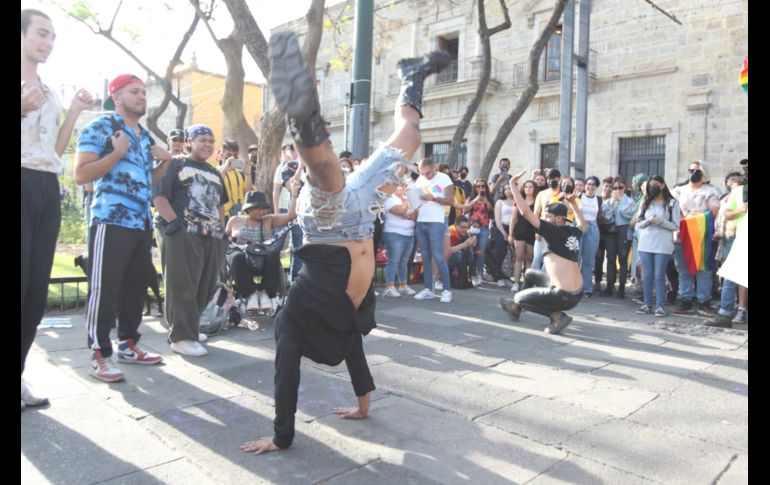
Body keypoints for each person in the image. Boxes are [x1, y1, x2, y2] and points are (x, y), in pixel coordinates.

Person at [240, 30, 450, 455]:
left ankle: (302, 115)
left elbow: (285, 375)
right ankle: (413, 75)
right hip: (363, 209)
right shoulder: (346, 324)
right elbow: (356, 358)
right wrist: (363, 407)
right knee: (410, 135)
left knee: (326, 175)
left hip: (328, 224)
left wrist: (281, 438)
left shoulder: (293, 322)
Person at [21, 8, 94, 408]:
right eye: (41, 34)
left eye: (53, 37)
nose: (48, 43)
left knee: (34, 294)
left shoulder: (48, 92)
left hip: (46, 187)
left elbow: (55, 148)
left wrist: (75, 112)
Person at [75, 73, 169, 382]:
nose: (142, 97)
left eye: (143, 92)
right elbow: (81, 174)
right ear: (116, 97)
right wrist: (116, 151)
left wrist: (165, 163)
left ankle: (129, 344)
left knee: (135, 288)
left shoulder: (144, 137)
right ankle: (100, 354)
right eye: (134, 92)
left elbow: (147, 183)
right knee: (105, 289)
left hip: (140, 222)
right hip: (110, 220)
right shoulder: (100, 127)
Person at [500, 170, 585, 335]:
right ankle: (516, 309)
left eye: (548, 216)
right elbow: (583, 223)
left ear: (558, 219)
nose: (544, 219)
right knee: (531, 274)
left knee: (518, 297)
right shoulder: (573, 231)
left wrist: (513, 186)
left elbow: (525, 212)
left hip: (562, 294)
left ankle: (556, 315)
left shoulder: (552, 230)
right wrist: (573, 203)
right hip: (577, 292)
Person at [226, 187, 299, 312]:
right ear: (248, 208)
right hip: (242, 257)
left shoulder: (269, 220)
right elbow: (224, 240)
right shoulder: (235, 220)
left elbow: (291, 215)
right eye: (257, 208)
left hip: (263, 258)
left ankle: (266, 294)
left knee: (273, 254)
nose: (261, 211)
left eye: (263, 208)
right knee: (236, 257)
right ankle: (250, 295)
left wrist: (294, 195)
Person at [671, 161, 720, 315]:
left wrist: (692, 221)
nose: (693, 173)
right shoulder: (678, 191)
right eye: (691, 170)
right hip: (681, 235)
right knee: (683, 268)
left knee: (703, 268)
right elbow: (671, 209)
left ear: (704, 174)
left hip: (702, 235)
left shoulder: (710, 191)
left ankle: (704, 300)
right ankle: (686, 299)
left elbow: (713, 212)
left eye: (697, 171)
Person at [633, 175, 680, 316]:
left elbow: (676, 225)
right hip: (646, 242)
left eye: (655, 185)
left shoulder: (672, 203)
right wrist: (649, 221)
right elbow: (638, 223)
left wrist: (661, 222)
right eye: (650, 185)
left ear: (662, 185)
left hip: (663, 244)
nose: (652, 188)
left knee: (659, 274)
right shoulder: (645, 202)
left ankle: (660, 305)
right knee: (647, 274)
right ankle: (647, 304)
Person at [413, 157, 455, 302]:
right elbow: (417, 201)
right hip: (421, 220)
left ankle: (446, 290)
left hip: (436, 221)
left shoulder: (444, 178)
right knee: (425, 256)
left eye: (428, 173)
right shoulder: (420, 180)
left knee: (438, 256)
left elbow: (451, 200)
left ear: (434, 168)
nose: (425, 176)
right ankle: (428, 289)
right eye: (422, 173)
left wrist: (434, 198)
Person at [272, 143, 304, 280]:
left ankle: (295, 280)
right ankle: (273, 281)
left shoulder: (313, 168)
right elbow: (285, 189)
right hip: (287, 210)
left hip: (304, 213)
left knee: (299, 248)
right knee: (276, 246)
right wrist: (277, 210)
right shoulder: (286, 167)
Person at [600, 177, 636, 298]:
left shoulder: (629, 201)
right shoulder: (608, 201)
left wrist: (620, 202)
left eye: (620, 187)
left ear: (625, 188)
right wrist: (611, 204)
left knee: (623, 258)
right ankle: (610, 285)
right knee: (610, 257)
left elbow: (628, 214)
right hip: (611, 231)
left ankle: (621, 287)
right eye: (614, 188)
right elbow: (605, 216)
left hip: (623, 229)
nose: (617, 190)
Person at [382, 182, 418, 297]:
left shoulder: (407, 199)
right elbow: (400, 211)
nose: (403, 187)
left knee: (404, 261)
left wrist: (407, 214)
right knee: (394, 260)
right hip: (394, 234)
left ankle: (403, 285)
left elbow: (415, 215)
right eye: (400, 185)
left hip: (409, 234)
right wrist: (408, 203)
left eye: (404, 185)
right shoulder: (390, 198)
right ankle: (389, 286)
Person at [460, 179, 493, 286]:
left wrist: (486, 201)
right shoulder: (471, 198)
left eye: (483, 186)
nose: (480, 188)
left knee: (481, 251)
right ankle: (472, 274)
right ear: (475, 188)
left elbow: (492, 212)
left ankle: (479, 274)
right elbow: (464, 211)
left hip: (484, 227)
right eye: (478, 186)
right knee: (471, 250)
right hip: (472, 227)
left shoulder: (489, 198)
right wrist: (476, 199)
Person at [508, 180, 538, 293]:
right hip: (519, 232)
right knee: (519, 257)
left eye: (530, 187)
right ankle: (516, 282)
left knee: (529, 258)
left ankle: (527, 283)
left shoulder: (537, 201)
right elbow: (513, 219)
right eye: (526, 187)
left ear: (534, 189)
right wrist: (510, 234)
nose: (528, 189)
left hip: (532, 232)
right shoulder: (519, 201)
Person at [531, 168, 562, 270]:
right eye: (549, 178)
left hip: (557, 231)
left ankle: (544, 283)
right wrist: (537, 231)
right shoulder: (542, 194)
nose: (551, 181)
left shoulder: (563, 194)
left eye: (554, 178)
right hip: (542, 229)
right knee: (537, 257)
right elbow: (536, 213)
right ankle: (532, 282)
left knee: (549, 260)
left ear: (559, 179)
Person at [578, 176, 602, 297]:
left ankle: (587, 289)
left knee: (588, 260)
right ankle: (574, 287)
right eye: (588, 183)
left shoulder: (599, 200)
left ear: (596, 187)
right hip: (578, 227)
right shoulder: (578, 196)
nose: (590, 186)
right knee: (575, 259)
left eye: (593, 184)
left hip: (592, 227)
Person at [218, 140, 253, 220]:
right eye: (229, 155)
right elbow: (217, 184)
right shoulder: (215, 172)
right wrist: (225, 166)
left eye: (235, 155)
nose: (232, 158)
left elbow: (248, 193)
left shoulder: (240, 173)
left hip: (241, 213)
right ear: (222, 153)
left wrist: (248, 175)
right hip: (224, 215)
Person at [492, 184, 515, 287]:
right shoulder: (500, 202)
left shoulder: (516, 201)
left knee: (511, 254)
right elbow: (497, 219)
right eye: (506, 189)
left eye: (510, 188)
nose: (508, 191)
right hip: (500, 228)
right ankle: (499, 277)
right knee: (501, 252)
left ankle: (507, 276)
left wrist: (511, 233)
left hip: (513, 229)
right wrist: (504, 233)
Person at [446, 216, 477, 282]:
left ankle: (471, 277)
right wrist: (464, 244)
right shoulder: (450, 233)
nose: (465, 230)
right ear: (455, 225)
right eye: (462, 227)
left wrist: (471, 244)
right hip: (440, 258)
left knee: (471, 255)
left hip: (450, 255)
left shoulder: (465, 233)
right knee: (458, 256)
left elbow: (463, 248)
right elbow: (447, 251)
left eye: (467, 227)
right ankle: (440, 277)